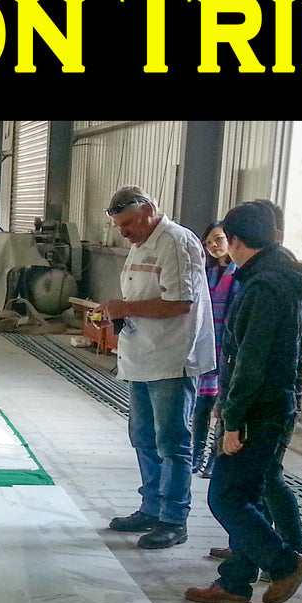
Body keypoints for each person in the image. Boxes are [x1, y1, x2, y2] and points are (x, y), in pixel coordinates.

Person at [186, 201, 302, 603]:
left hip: (258, 410)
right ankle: (235, 583)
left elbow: (250, 362)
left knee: (224, 497)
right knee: (250, 496)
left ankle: (284, 563)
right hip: (280, 403)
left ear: (237, 241)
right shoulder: (291, 278)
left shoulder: (263, 287)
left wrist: (232, 419)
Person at [98, 186, 215, 550]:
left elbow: (180, 303)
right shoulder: (141, 243)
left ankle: (173, 519)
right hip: (141, 356)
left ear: (149, 209)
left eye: (129, 223)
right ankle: (151, 508)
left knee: (172, 442)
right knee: (144, 438)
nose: (125, 232)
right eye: (120, 226)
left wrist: (125, 309)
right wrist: (119, 313)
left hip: (171, 358)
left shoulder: (176, 242)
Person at [192, 222, 240, 478]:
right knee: (201, 404)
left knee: (221, 406)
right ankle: (195, 453)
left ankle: (214, 456)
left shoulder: (238, 274)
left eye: (219, 239)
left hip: (227, 347)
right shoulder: (204, 271)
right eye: (209, 241)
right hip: (204, 344)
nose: (214, 245)